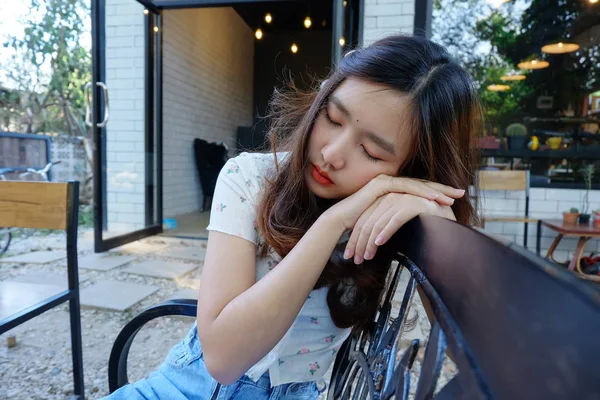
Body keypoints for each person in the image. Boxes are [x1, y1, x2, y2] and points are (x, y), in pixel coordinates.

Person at [104, 34, 480, 400]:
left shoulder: (390, 219)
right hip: (185, 385)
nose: (332, 153)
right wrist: (332, 224)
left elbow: (473, 356)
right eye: (333, 118)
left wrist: (437, 223)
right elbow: (222, 359)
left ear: (411, 171)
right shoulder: (250, 179)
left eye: (370, 151)